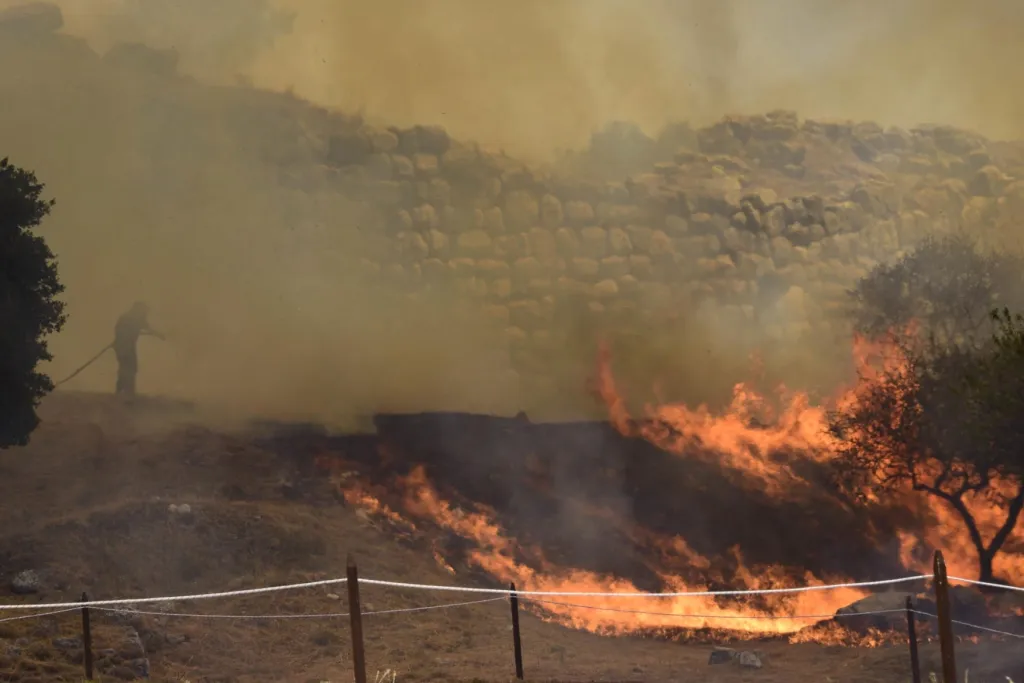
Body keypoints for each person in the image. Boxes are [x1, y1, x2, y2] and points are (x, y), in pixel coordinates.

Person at [113, 301, 163, 396]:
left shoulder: (128, 317)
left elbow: (147, 328)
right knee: (130, 368)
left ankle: (122, 391)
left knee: (126, 368)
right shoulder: (132, 318)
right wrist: (159, 335)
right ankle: (128, 392)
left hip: (123, 346)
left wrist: (159, 334)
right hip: (124, 347)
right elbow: (120, 332)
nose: (145, 314)